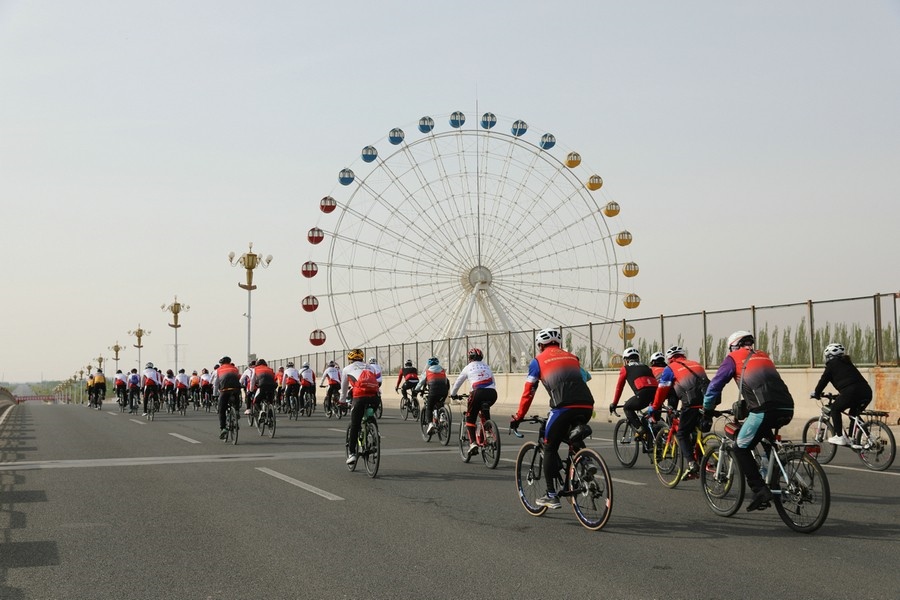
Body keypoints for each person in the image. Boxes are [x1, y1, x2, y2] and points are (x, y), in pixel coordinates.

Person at [702, 331, 794, 511]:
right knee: (765, 437)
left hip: (763, 409)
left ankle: (760, 490)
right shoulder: (763, 355)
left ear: (733, 346)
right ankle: (772, 476)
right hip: (787, 407)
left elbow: (715, 385)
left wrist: (707, 408)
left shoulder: (733, 358)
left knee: (740, 448)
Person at [510, 328, 594, 509]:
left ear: (540, 345)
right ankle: (585, 461)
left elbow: (528, 392)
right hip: (587, 404)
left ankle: (551, 495)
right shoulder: (572, 357)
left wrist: (518, 417)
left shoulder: (537, 361)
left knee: (550, 447)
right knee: (572, 434)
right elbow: (585, 377)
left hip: (563, 407)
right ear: (559, 343)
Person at [649, 346, 709, 481]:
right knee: (695, 428)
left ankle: (692, 464)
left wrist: (655, 407)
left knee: (682, 433)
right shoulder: (696, 364)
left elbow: (662, 390)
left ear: (670, 359)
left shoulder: (670, 368)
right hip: (708, 400)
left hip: (691, 403)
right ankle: (702, 457)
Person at [811, 342, 872, 446]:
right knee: (853, 415)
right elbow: (849, 381)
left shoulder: (831, 365)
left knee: (835, 409)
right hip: (866, 392)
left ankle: (839, 437)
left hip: (851, 392)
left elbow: (823, 380)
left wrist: (816, 393)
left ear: (829, 356)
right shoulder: (847, 363)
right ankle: (866, 438)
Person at [450, 347, 498, 457]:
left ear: (469, 358)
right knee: (485, 410)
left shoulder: (468, 367)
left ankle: (472, 444)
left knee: (470, 418)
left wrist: (453, 394)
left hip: (477, 393)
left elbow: (458, 382)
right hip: (492, 393)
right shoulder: (487, 366)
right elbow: (493, 382)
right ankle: (488, 432)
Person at [341, 349, 380, 465]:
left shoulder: (347, 369)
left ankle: (352, 454)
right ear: (362, 358)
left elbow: (344, 388)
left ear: (350, 359)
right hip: (375, 397)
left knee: (355, 424)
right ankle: (375, 435)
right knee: (370, 416)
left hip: (359, 398)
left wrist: (342, 401)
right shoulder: (370, 367)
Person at [608, 348, 658, 439]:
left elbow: (619, 387)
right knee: (650, 416)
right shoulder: (646, 367)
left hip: (642, 394)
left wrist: (614, 403)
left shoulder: (625, 369)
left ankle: (640, 428)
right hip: (656, 393)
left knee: (627, 407)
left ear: (626, 360)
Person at [415, 356, 451, 436]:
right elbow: (446, 381)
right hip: (444, 391)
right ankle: (442, 416)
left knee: (429, 407)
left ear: (429, 364)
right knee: (440, 403)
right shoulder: (442, 371)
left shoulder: (427, 372)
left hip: (433, 391)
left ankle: (430, 424)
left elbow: (421, 383)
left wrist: (416, 389)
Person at [212, 356, 242, 439]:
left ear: (221, 363)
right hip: (235, 389)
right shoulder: (235, 369)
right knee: (236, 397)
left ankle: (223, 428)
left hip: (225, 390)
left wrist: (215, 395)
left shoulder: (218, 370)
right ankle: (236, 411)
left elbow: (216, 384)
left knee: (221, 409)